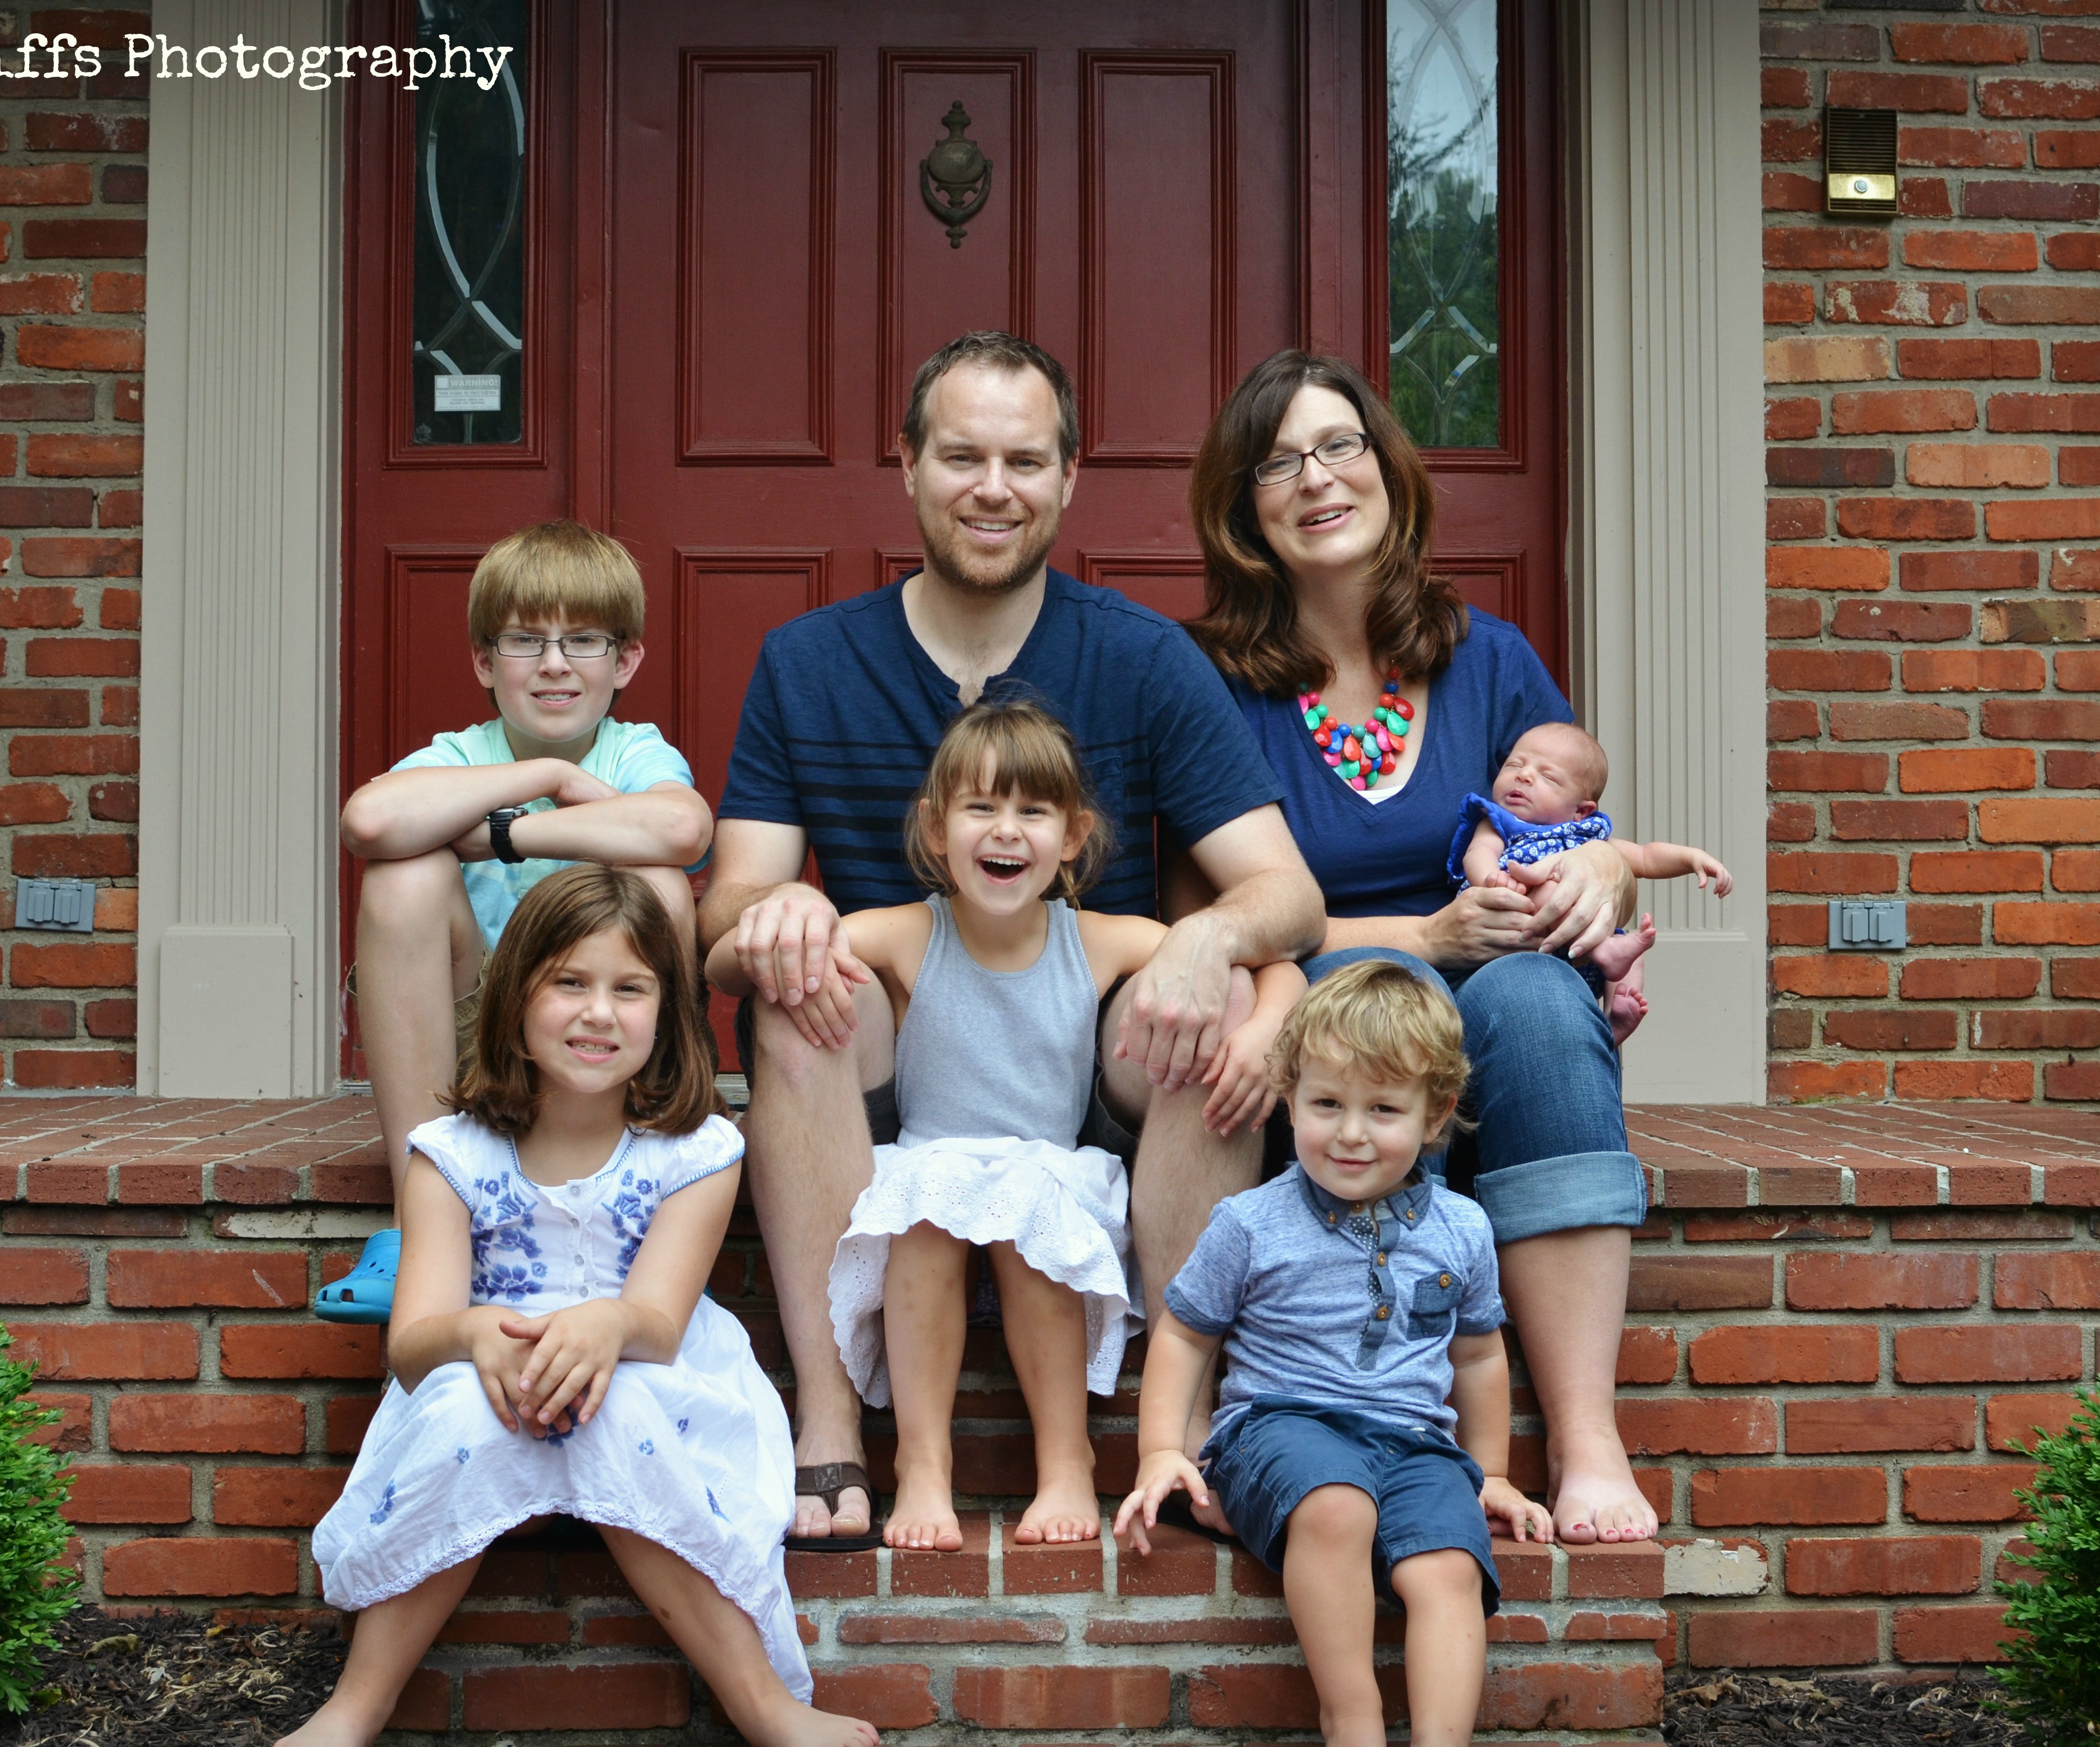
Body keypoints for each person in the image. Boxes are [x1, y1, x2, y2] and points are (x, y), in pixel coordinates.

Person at [698, 331, 1324, 1545]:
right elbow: (724, 916)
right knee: (793, 987)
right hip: (899, 1061)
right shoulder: (807, 662)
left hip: (1087, 1053)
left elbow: (1284, 893)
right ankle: (829, 1418)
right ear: (908, 464)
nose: (993, 488)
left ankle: (1179, 1429)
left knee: (1217, 998)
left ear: (1068, 476)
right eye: (962, 457)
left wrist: (1205, 943)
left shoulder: (1142, 656)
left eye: (1024, 461)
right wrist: (776, 915)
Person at [1182, 348, 1659, 1546]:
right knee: (1374, 1002)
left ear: (1387, 469)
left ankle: (1586, 1438)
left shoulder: (1487, 658)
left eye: (1339, 445)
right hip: (1322, 984)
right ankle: (1380, 1413)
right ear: (1243, 509)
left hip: (1498, 986)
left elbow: (1575, 826)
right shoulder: (1213, 685)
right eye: (1278, 463)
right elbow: (1207, 916)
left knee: (1538, 1003)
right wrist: (1423, 934)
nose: (1316, 478)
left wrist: (1600, 871)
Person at [291, 866, 874, 1747]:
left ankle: (759, 1701)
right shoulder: (449, 1154)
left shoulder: (696, 1151)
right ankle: (355, 1707)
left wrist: (607, 1324)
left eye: (628, 989)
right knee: (464, 1404)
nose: (598, 1012)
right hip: (491, 1379)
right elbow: (412, 1343)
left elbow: (657, 1324)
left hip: (652, 1378)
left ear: (665, 1011)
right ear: (514, 997)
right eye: (569, 982)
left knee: (615, 1405)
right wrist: (472, 1332)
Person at [710, 700, 1302, 1552]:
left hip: (1045, 1171)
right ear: (935, 827)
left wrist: (1266, 1024)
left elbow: (1269, 965)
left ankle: (1065, 1462)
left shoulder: (1096, 940)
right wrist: (779, 920)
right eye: (981, 807)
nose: (1006, 829)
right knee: (922, 1226)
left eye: (1033, 810)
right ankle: (922, 1464)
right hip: (930, 1169)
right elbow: (728, 964)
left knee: (1035, 1225)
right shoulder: (908, 933)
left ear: (1074, 835)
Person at [1115, 961, 1550, 1747]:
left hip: (1416, 1443)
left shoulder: (1462, 1229)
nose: (1350, 1132)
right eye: (1327, 1104)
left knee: (1448, 1567)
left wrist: (1488, 1471)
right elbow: (1183, 1334)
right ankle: (1352, 1723)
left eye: (1382, 1108)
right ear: (1289, 1101)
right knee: (1336, 1505)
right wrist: (1159, 1452)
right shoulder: (1250, 1222)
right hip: (1281, 1428)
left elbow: (1478, 1357)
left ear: (1434, 1115)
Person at [340, 520, 711, 1181]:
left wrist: (504, 835)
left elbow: (682, 830)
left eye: (584, 640)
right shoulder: (461, 756)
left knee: (661, 881)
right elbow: (369, 821)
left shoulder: (633, 752)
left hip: (606, 1018)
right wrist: (550, 777)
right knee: (403, 876)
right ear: (485, 662)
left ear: (625, 661)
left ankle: (646, 1164)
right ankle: (421, 1197)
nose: (554, 663)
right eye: (525, 640)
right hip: (478, 1033)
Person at [1447, 721, 1735, 1045]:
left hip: (1578, 952)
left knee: (1631, 954)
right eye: (1514, 764)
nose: (1524, 775)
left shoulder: (1589, 836)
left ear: (1581, 811)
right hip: (1513, 925)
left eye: (1548, 777)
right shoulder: (1499, 822)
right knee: (1553, 893)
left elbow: (1645, 857)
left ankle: (1616, 1017)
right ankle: (1605, 951)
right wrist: (1492, 879)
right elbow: (1478, 853)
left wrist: (1691, 858)